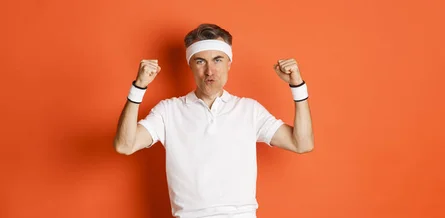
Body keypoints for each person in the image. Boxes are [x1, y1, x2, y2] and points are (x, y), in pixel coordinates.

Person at [114, 23, 314, 218]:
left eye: (217, 60)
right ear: (190, 65)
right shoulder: (169, 110)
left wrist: (297, 86)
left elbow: (302, 143)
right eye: (200, 61)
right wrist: (138, 87)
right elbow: (125, 145)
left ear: (229, 63)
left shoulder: (249, 110)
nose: (210, 71)